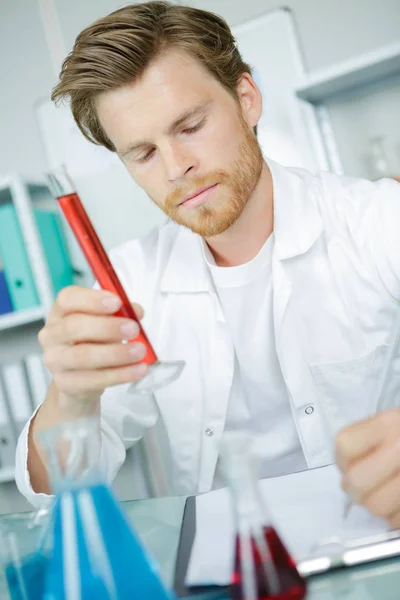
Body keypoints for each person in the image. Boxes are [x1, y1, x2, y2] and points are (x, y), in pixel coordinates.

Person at [16, 1, 400, 527]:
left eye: (190, 126)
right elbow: (56, 495)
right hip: (226, 569)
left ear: (246, 99)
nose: (177, 168)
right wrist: (72, 396)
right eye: (143, 153)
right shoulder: (129, 284)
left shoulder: (377, 220)